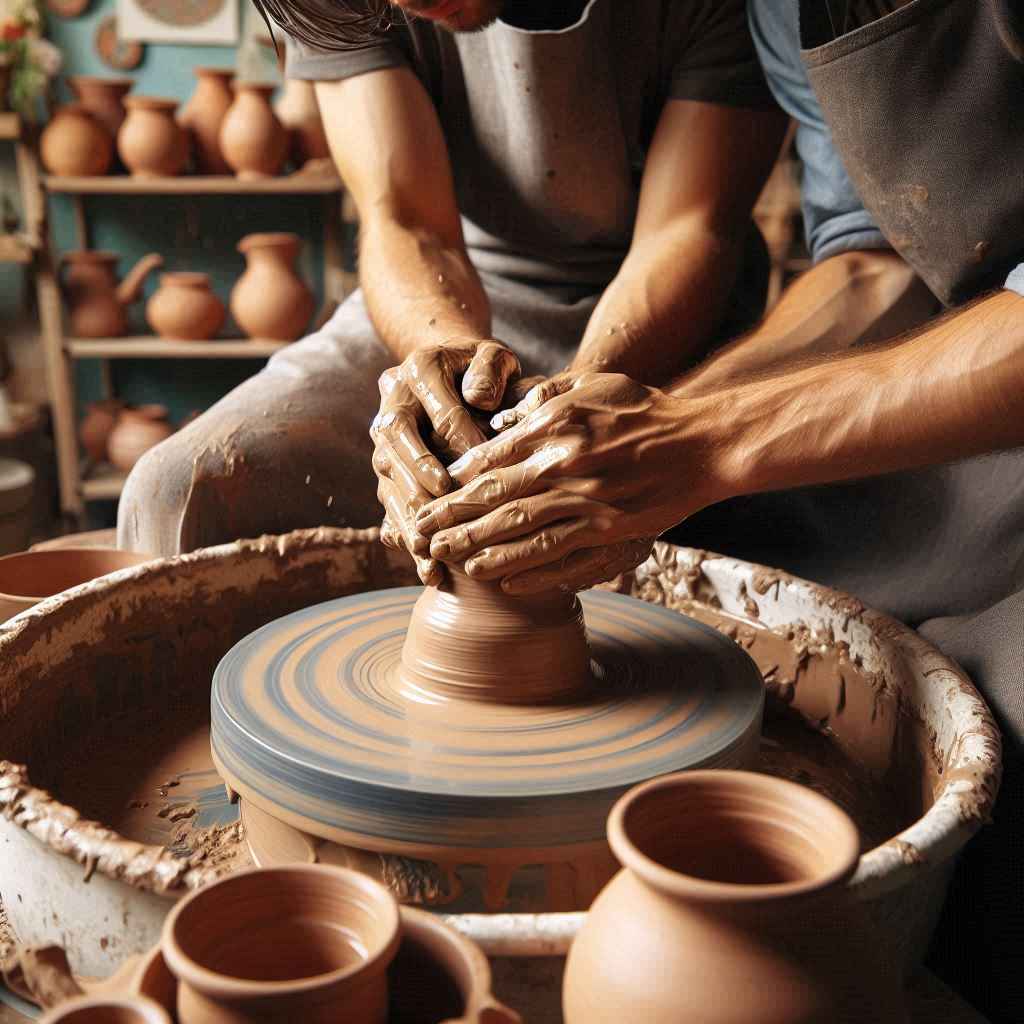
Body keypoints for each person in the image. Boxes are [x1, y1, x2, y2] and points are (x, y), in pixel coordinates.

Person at [410, 2, 1023, 1016]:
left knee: (996, 702)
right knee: (701, 549)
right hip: (945, 387)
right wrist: (648, 429)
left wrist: (712, 441)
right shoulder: (778, 7)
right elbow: (868, 258)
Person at [115, 0, 785, 561]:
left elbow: (689, 229)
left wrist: (560, 416)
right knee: (178, 490)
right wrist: (445, 365)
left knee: (793, 546)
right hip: (438, 291)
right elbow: (406, 220)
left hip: (674, 309)